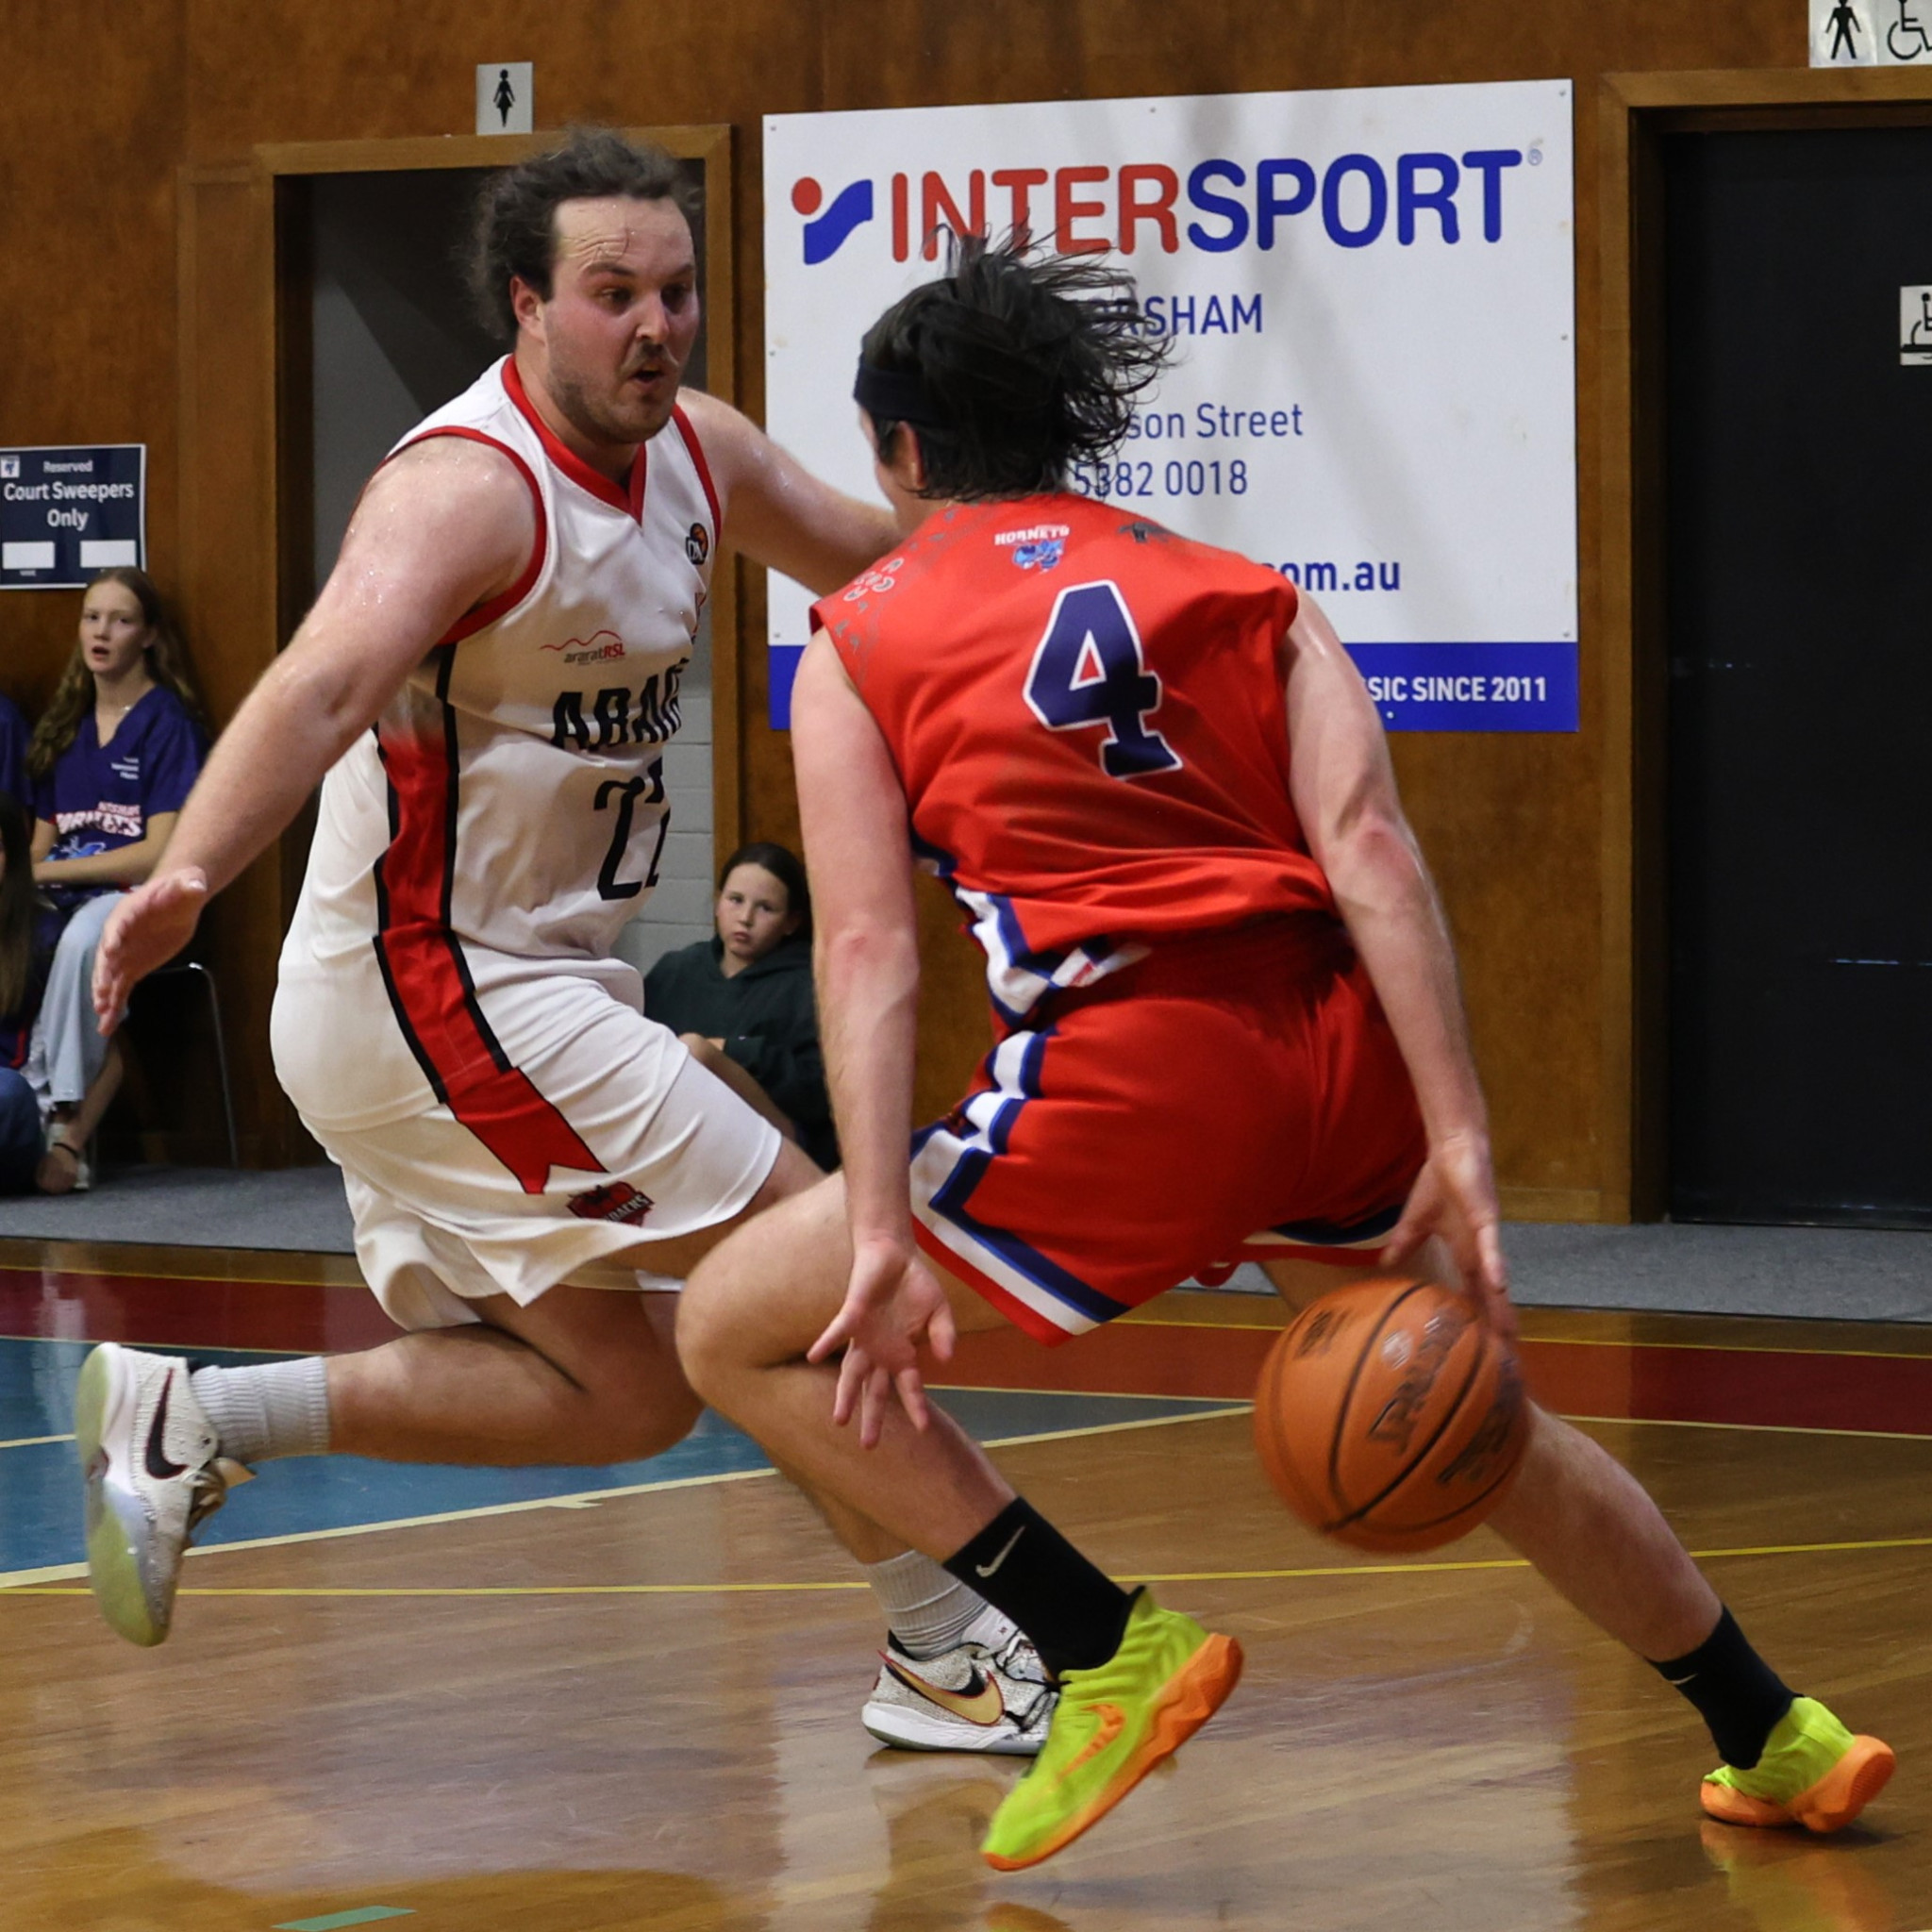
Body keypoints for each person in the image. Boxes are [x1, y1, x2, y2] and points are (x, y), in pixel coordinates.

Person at [675, 239, 1894, 1870]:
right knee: (1485, 1418)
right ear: (1060, 426)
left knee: (729, 1328)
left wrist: (884, 1228)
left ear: (894, 452)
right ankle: (1769, 1725)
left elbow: (867, 946)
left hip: (1136, 1068)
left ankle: (1099, 1642)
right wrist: (1459, 1134)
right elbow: (1373, 854)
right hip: (1337, 1059)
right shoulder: (1244, 589)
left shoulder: (857, 631)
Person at [79, 131, 1051, 1759]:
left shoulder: (701, 452)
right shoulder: (465, 490)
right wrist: (186, 870)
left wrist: (1050, 558)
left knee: (638, 1387)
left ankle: (199, 1413)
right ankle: (953, 1639)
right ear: (527, 306)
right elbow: (323, 683)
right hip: (432, 988)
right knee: (813, 1252)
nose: (654, 324)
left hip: (516, 984)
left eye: (674, 291)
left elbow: (873, 577)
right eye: (613, 295)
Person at [25, 568, 208, 1194]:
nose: (102, 632)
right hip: (64, 895)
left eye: (122, 619)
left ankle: (56, 1122)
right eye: (92, 616)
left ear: (150, 635)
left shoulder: (168, 723)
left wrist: (40, 871)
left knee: (82, 940)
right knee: (36, 934)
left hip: (139, 900)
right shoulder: (66, 723)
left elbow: (155, 856)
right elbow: (39, 844)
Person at [643, 841, 836, 1170]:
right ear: (718, 904)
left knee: (695, 1051)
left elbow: (820, 1094)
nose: (745, 918)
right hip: (677, 1138)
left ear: (791, 922)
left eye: (766, 908)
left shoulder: (811, 985)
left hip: (780, 1145)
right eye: (735, 901)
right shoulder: (677, 969)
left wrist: (734, 1051)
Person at [0, 791, 52, 1192]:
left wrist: (69, 1146)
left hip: (9, 1098)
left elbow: (110, 1059)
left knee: (9, 1094)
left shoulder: (43, 935)